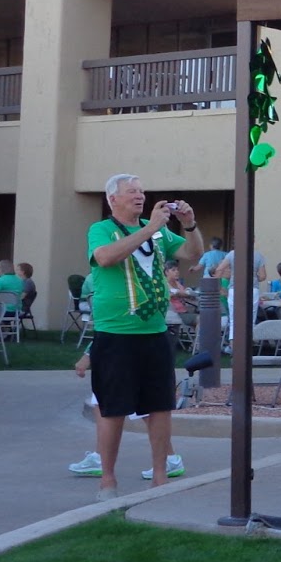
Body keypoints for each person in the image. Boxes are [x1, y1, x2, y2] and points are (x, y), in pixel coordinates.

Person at [86, 173, 203, 500]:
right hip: (116, 334)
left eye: (141, 191)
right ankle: (108, 481)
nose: (139, 196)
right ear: (113, 199)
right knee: (113, 408)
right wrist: (150, 228)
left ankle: (160, 477)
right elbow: (105, 258)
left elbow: (193, 253)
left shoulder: (159, 231)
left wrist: (190, 224)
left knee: (160, 405)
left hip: (154, 333)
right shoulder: (101, 229)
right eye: (131, 192)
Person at [67, 351, 185, 481]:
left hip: (128, 348)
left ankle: (168, 460)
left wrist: (88, 354)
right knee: (102, 399)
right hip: (121, 349)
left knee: (142, 403)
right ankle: (100, 457)